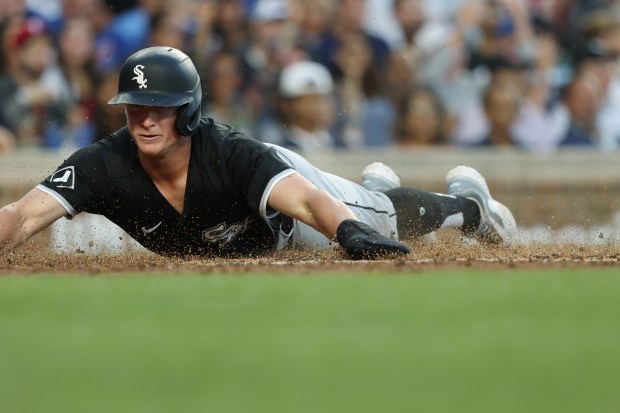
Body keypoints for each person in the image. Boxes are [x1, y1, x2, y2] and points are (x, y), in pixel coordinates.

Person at [0, 46, 516, 260]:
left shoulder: (230, 152)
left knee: (375, 223)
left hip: (294, 221)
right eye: (136, 106)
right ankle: (369, 194)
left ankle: (470, 208)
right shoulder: (102, 164)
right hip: (262, 243)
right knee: (363, 203)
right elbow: (22, 218)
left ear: (188, 109)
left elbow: (311, 205)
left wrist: (348, 231)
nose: (146, 118)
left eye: (161, 107)